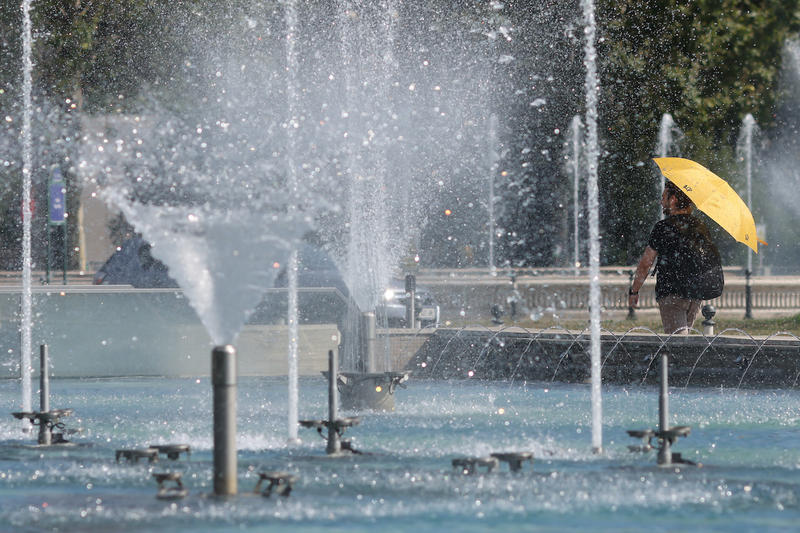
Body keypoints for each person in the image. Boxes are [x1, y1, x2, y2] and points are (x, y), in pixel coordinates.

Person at [628, 181, 719, 334]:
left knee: (677, 343)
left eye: (664, 197)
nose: (661, 202)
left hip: (672, 292)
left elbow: (646, 263)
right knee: (683, 339)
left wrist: (634, 291)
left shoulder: (663, 228)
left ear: (673, 199)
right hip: (695, 294)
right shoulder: (699, 226)